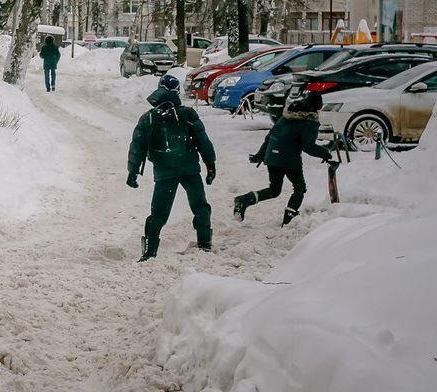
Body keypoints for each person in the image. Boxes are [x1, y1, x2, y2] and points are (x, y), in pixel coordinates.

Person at [127, 75, 216, 261]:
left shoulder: (149, 118)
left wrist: (133, 171)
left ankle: (149, 252)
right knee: (200, 205)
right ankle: (205, 244)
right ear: (177, 92)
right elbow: (202, 140)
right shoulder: (187, 114)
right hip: (189, 169)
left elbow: (137, 146)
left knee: (159, 212)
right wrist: (210, 164)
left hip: (164, 172)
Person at [233, 91, 333, 226]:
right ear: (316, 107)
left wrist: (260, 155)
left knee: (274, 190)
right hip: (289, 159)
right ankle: (289, 218)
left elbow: (270, 136)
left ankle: (244, 200)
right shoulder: (310, 121)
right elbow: (308, 146)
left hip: (272, 157)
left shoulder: (287, 116)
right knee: (299, 188)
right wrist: (325, 153)